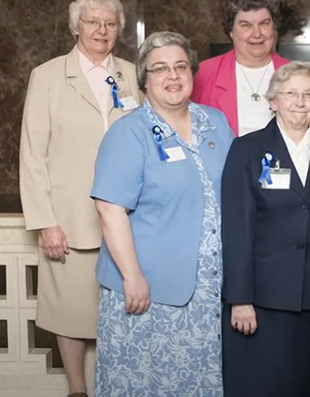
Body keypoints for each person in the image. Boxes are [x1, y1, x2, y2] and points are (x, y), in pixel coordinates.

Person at [92, 31, 234, 395]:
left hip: (205, 291)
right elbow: (110, 210)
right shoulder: (128, 133)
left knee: (196, 381)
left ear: (192, 73)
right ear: (144, 80)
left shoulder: (215, 122)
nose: (173, 76)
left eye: (180, 66)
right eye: (160, 69)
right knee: (143, 383)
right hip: (147, 291)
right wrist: (132, 276)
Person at [19, 0, 140, 397]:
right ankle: (76, 389)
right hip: (69, 217)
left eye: (110, 23)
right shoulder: (48, 76)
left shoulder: (132, 74)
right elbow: (32, 154)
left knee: (119, 311)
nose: (102, 31)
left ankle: (112, 386)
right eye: (93, 22)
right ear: (76, 27)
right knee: (69, 312)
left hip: (126, 214)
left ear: (119, 30)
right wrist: (45, 221)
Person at [221, 62, 310, 397]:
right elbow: (237, 228)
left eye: (309, 94)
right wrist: (240, 298)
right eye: (290, 93)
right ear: (273, 101)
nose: (300, 101)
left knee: (304, 387)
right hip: (260, 302)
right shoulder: (246, 150)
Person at [192, 0, 290, 136]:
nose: (257, 34)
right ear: (231, 31)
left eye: (264, 23)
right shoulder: (204, 74)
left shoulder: (293, 73)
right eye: (246, 25)